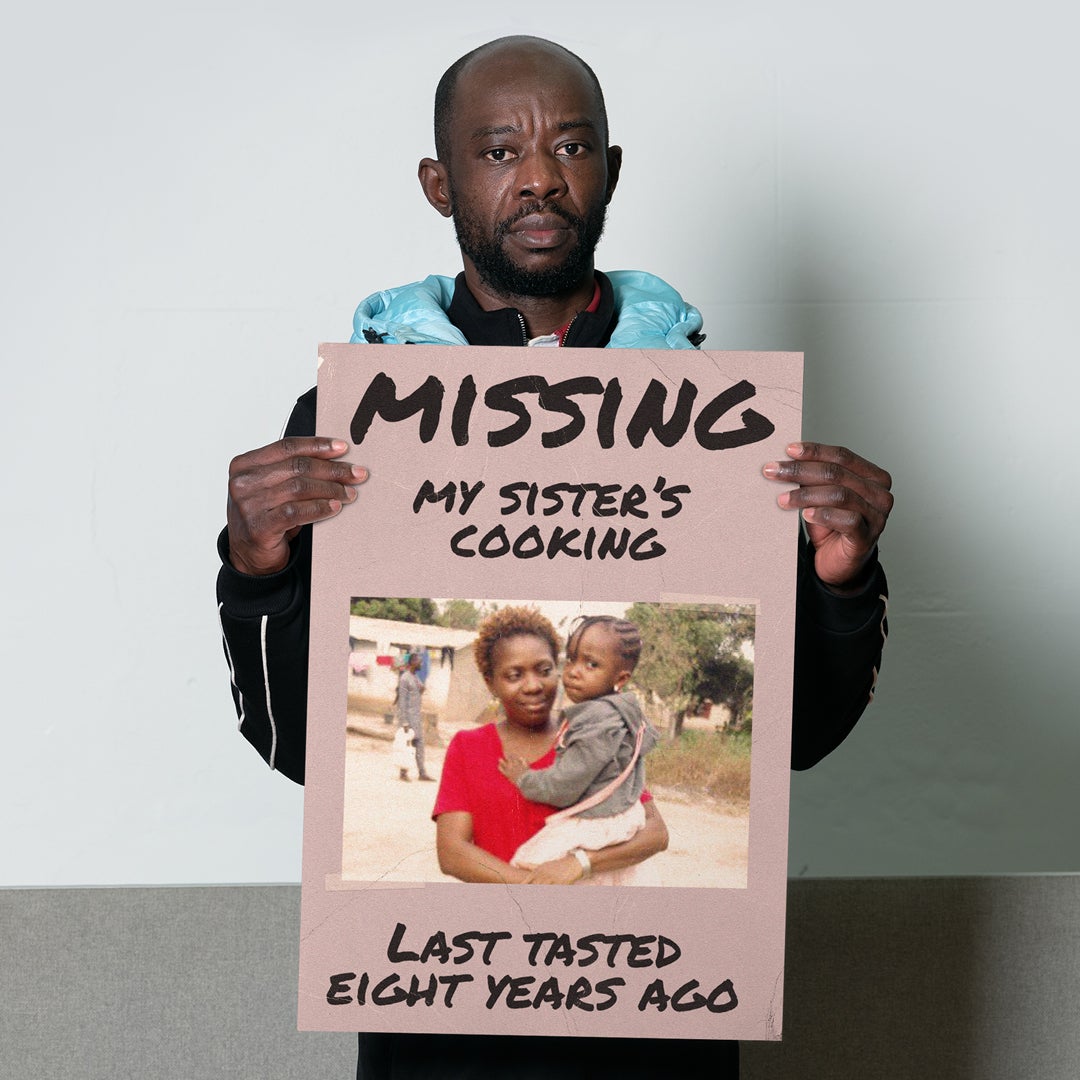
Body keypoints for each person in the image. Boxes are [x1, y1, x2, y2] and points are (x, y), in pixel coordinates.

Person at [216, 34, 892, 1080]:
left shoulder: (721, 418)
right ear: (441, 184)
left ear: (611, 170)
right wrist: (255, 573)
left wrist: (842, 586)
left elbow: (793, 744)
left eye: (571, 146)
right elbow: (293, 747)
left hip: (660, 1032)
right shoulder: (352, 422)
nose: (538, 176)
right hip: (438, 1039)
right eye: (497, 152)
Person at [433, 606, 667, 887]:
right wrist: (534, 886)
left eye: (544, 670)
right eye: (514, 675)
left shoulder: (593, 734)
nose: (533, 685)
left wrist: (580, 863)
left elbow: (656, 833)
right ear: (491, 684)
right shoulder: (468, 748)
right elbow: (452, 853)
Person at [498, 615, 659, 882]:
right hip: (623, 820)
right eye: (571, 659)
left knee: (528, 870)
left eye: (591, 664)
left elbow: (565, 784)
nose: (574, 670)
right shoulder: (624, 716)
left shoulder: (598, 722)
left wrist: (524, 779)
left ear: (621, 678)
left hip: (596, 824)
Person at [395, 652, 434, 781]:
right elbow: (402, 701)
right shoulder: (405, 678)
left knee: (420, 744)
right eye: (419, 661)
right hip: (408, 719)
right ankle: (403, 773)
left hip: (416, 718)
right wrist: (404, 722)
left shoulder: (415, 677)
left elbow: (418, 693)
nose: (421, 664)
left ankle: (422, 773)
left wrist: (421, 689)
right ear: (412, 662)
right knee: (407, 745)